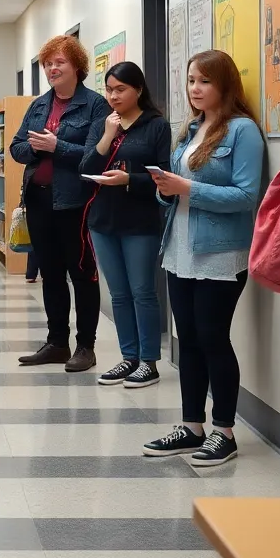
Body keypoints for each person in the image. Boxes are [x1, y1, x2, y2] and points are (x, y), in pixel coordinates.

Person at [143, 50, 264, 468]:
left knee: (213, 338)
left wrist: (186, 188)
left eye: (204, 81)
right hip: (179, 248)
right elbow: (174, 190)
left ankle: (224, 432)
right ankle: (191, 426)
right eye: (192, 80)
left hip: (220, 252)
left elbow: (247, 196)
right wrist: (164, 188)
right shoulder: (190, 129)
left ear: (225, 85)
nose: (195, 89)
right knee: (188, 339)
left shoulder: (242, 131)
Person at [9, 35, 110, 371]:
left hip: (75, 202)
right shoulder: (39, 105)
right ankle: (56, 342)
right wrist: (38, 149)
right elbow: (16, 148)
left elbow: (97, 156)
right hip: (38, 200)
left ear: (76, 66)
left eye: (59, 62)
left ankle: (85, 346)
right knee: (50, 274)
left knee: (81, 274)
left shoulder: (95, 105)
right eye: (48, 63)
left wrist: (58, 146)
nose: (52, 68)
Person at [80, 62, 172, 388]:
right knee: (119, 294)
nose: (113, 96)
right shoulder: (105, 122)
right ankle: (128, 357)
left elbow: (164, 177)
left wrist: (129, 180)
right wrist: (107, 136)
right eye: (109, 89)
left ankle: (149, 361)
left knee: (143, 292)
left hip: (140, 222)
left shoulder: (156, 126)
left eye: (120, 89)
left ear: (138, 90)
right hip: (103, 221)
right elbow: (86, 165)